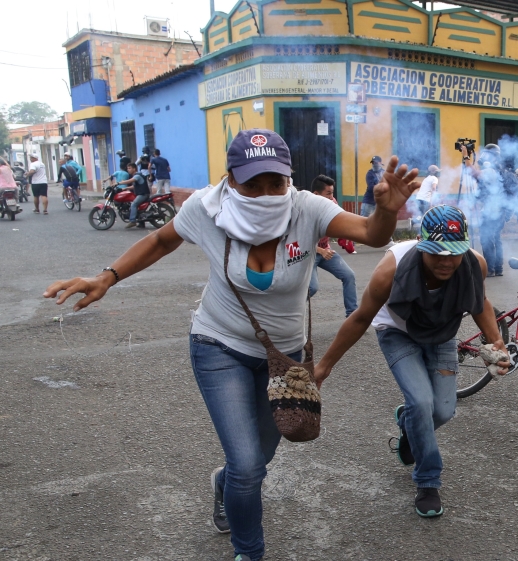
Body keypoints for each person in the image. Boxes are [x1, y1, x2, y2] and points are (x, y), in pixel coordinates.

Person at [44, 128, 420, 561]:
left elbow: (371, 233)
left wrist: (387, 212)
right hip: (218, 346)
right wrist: (106, 277)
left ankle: (225, 483)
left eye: (275, 183)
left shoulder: (308, 208)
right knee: (247, 466)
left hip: (285, 357)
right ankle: (250, 551)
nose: (264, 195)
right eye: (252, 183)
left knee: (258, 459)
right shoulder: (207, 208)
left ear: (288, 180)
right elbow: (160, 240)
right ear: (231, 178)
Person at [314, 205, 510, 518]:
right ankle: (428, 479)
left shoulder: (476, 264)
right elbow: (361, 317)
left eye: (454, 254)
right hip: (398, 332)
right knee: (421, 402)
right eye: (437, 253)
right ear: (421, 243)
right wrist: (324, 366)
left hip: (442, 335)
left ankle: (409, 423)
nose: (446, 262)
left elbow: (480, 302)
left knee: (443, 410)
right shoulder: (391, 269)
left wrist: (495, 340)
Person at [307, 175, 358, 317]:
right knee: (312, 287)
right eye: (328, 193)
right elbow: (299, 241)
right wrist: (321, 251)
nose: (331, 197)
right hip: (308, 253)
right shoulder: (307, 210)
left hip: (326, 251)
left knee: (349, 276)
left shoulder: (332, 203)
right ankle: (287, 311)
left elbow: (343, 220)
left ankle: (352, 316)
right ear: (316, 194)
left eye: (332, 193)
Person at [472, 144, 507, 277]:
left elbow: (475, 174)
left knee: (487, 238)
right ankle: (498, 268)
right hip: (498, 210)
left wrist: (466, 158)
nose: (484, 157)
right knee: (496, 239)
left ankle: (490, 268)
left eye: (487, 155)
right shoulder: (498, 170)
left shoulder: (491, 171)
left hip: (492, 212)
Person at [117, 163, 151, 228]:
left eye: (129, 168)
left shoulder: (137, 176)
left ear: (134, 169)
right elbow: (134, 186)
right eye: (127, 168)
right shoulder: (136, 176)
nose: (128, 170)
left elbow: (130, 181)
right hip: (140, 194)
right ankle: (141, 223)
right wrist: (126, 188)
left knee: (134, 204)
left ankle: (132, 221)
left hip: (143, 194)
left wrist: (119, 183)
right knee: (135, 205)